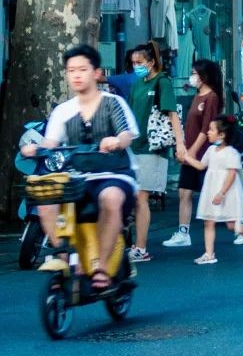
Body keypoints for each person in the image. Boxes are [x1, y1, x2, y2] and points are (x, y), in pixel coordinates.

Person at [21, 44, 138, 291]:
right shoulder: (63, 111)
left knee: (110, 198)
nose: (76, 74)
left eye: (82, 69)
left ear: (96, 72)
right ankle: (67, 263)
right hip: (77, 178)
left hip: (115, 174)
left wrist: (116, 140)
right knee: (46, 203)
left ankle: (103, 269)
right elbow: (51, 142)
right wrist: (35, 147)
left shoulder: (112, 103)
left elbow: (127, 134)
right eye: (71, 70)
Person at [126, 40, 183, 263]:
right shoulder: (138, 84)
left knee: (141, 197)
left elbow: (173, 115)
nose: (135, 66)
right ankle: (134, 243)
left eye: (139, 62)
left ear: (151, 62)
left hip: (152, 148)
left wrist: (180, 145)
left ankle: (140, 248)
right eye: (133, 63)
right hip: (134, 147)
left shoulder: (162, 83)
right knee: (131, 197)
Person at [162, 58, 223, 249]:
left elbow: (206, 130)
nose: (192, 76)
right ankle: (183, 232)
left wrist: (191, 152)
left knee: (216, 194)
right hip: (190, 154)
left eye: (195, 73)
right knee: (184, 193)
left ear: (204, 76)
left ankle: (241, 225)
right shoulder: (197, 96)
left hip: (203, 155)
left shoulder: (211, 98)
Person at [190, 114, 243, 263]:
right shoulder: (211, 150)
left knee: (233, 225)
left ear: (222, 135)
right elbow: (201, 165)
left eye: (211, 130)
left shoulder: (231, 153)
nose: (208, 132)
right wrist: (186, 157)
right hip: (212, 190)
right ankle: (209, 254)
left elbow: (231, 174)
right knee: (209, 221)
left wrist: (222, 193)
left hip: (228, 192)